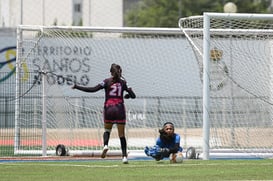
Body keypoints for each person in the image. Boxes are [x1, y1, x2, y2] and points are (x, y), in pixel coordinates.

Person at [72, 63, 136, 164]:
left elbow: (93, 89)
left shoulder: (106, 81)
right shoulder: (123, 83)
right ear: (120, 72)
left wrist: (77, 87)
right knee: (122, 135)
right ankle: (124, 157)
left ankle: (105, 145)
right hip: (119, 109)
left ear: (110, 72)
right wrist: (128, 94)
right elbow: (133, 96)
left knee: (107, 130)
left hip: (109, 108)